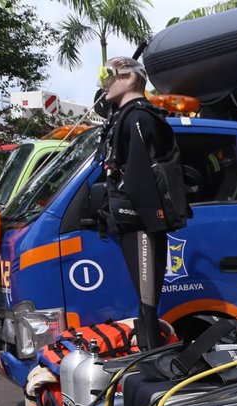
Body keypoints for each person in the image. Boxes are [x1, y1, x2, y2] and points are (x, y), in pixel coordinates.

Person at [96, 57, 189, 350]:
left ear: (130, 79)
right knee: (144, 297)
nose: (103, 83)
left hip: (142, 223)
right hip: (133, 221)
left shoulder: (139, 118)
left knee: (148, 301)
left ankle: (153, 360)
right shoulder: (123, 117)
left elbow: (141, 175)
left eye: (107, 74)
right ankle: (149, 356)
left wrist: (153, 219)